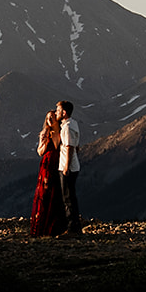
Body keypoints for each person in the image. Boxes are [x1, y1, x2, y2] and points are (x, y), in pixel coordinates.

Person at [28, 106, 67, 237]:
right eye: (48, 118)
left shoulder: (62, 131)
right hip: (47, 165)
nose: (49, 120)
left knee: (57, 194)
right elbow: (39, 152)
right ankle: (42, 228)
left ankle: (56, 228)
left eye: (52, 117)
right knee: (45, 194)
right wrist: (45, 142)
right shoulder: (45, 133)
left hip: (59, 164)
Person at [58, 100, 83, 234]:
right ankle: (74, 226)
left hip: (67, 166)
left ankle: (72, 228)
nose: (56, 112)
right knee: (70, 196)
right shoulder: (73, 124)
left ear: (64, 112)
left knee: (67, 197)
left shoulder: (67, 127)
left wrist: (66, 166)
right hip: (72, 165)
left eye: (58, 110)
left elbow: (69, 147)